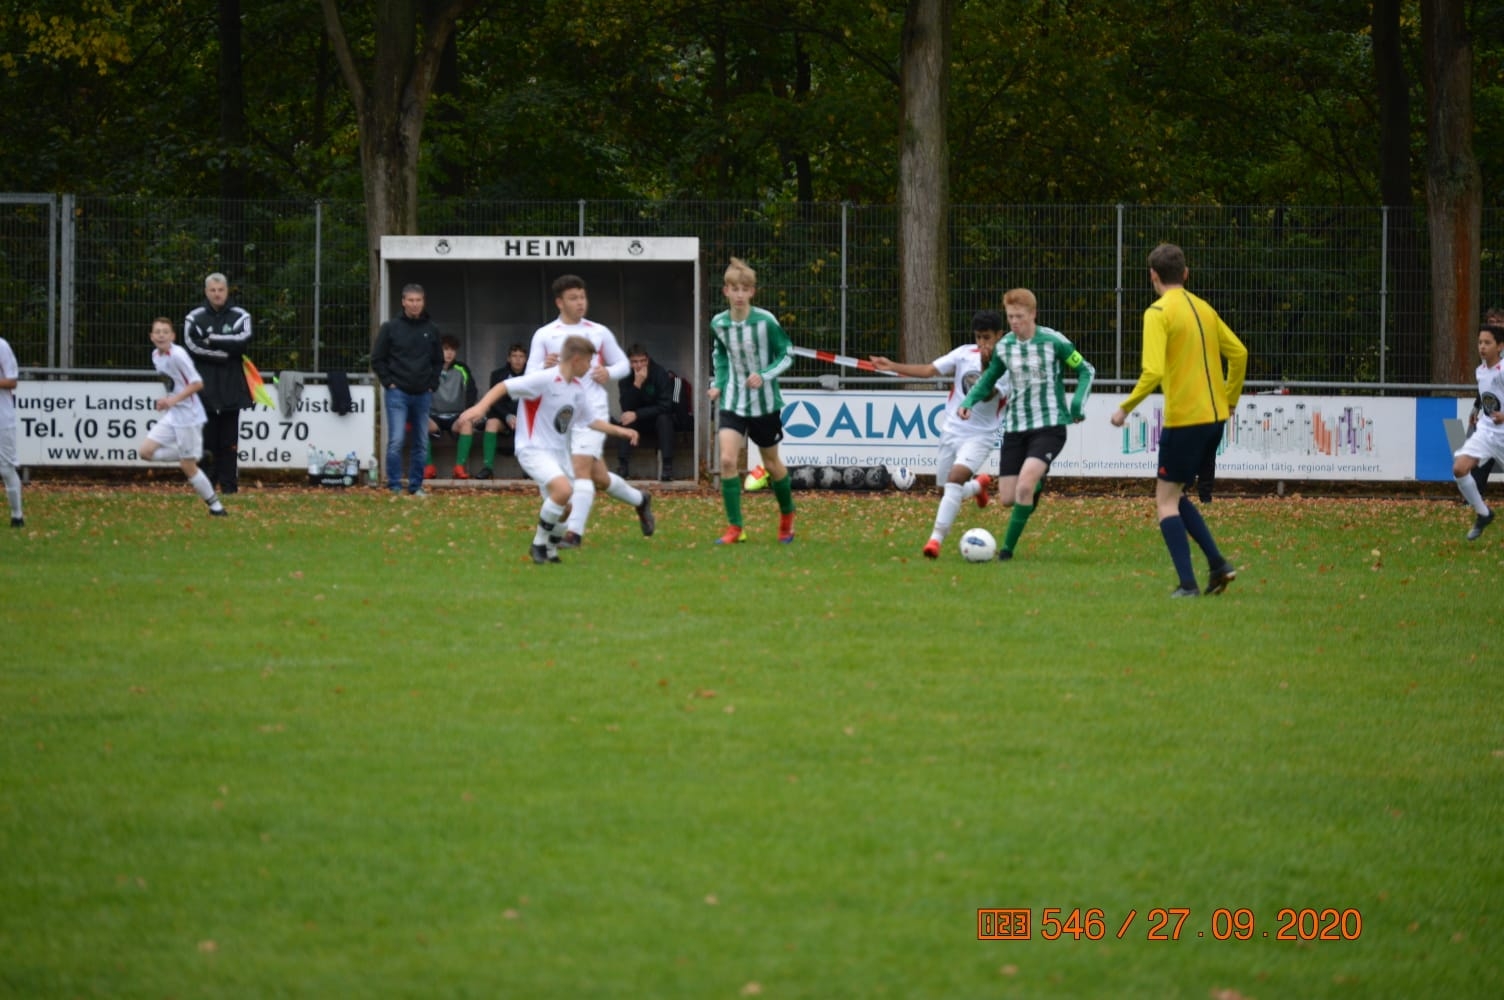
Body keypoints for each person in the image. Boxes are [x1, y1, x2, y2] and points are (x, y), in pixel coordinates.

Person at [1110, 243, 1246, 597]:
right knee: (1176, 494)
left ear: (1152, 276)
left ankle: (1188, 585)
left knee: (1165, 501)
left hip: (1185, 421)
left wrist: (1125, 408)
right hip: (1215, 420)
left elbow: (1153, 371)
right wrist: (1230, 399)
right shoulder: (1204, 308)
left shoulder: (1158, 312)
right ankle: (1217, 565)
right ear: (1185, 274)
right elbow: (1239, 353)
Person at [456, 335, 640, 563]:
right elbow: (504, 386)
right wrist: (480, 407)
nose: (591, 368)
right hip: (533, 448)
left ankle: (550, 550)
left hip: (559, 454)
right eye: (588, 362)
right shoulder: (544, 379)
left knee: (566, 508)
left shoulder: (577, 389)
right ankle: (538, 544)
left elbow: (591, 420)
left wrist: (621, 431)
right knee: (562, 491)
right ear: (576, 359)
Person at [958, 288, 1094, 561]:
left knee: (1023, 487)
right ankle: (1037, 484)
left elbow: (1085, 370)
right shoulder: (1005, 346)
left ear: (1033, 314)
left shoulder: (1054, 341)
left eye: (1019, 316)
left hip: (1050, 426)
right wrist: (969, 400)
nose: (1014, 322)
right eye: (1010, 317)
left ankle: (1006, 552)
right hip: (1015, 427)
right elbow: (989, 378)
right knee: (1008, 498)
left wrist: (1077, 404)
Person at [526, 274, 655, 546]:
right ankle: (640, 499)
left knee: (581, 469)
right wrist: (543, 367)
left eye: (582, 297)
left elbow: (622, 364)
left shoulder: (599, 332)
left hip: (591, 412)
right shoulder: (545, 335)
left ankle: (574, 534)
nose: (580, 303)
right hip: (561, 416)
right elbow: (529, 376)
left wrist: (607, 372)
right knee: (599, 477)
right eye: (573, 298)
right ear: (559, 302)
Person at [871, 310, 1008, 559]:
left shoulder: (1007, 365)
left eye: (987, 337)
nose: (982, 343)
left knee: (955, 479)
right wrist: (892, 366)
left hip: (980, 435)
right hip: (951, 430)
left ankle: (935, 540)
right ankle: (978, 486)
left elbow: (987, 394)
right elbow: (929, 370)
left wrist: (987, 365)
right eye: (978, 337)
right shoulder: (963, 353)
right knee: (947, 489)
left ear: (1000, 335)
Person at [709, 256, 797, 544]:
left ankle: (787, 516)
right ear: (726, 291)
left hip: (764, 404)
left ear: (752, 292)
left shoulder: (765, 321)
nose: (739, 295)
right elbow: (721, 355)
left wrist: (765, 374)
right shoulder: (719, 323)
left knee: (771, 463)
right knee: (727, 459)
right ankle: (736, 527)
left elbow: (787, 354)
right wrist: (718, 384)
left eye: (744, 289)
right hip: (733, 401)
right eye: (734, 289)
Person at [138, 318, 228, 517]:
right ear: (151, 337)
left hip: (189, 416)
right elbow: (174, 384)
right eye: (157, 332)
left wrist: (172, 400)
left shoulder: (178, 355)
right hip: (173, 414)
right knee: (145, 452)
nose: (161, 335)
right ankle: (196, 454)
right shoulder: (156, 355)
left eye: (165, 332)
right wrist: (168, 401)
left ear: (173, 336)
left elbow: (197, 383)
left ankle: (216, 508)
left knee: (187, 467)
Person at [182, 272, 253, 494]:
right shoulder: (194, 317)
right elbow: (192, 346)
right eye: (212, 290)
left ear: (227, 291)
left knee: (229, 443)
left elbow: (243, 342)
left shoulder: (241, 316)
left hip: (232, 389)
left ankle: (230, 487)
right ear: (206, 292)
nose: (217, 294)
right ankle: (208, 488)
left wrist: (211, 339)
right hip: (205, 391)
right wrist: (224, 354)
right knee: (207, 443)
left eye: (220, 290)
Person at [372, 283, 443, 496]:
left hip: (423, 393)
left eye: (418, 300)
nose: (414, 304)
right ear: (403, 302)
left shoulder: (432, 329)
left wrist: (432, 384)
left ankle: (416, 485)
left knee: (421, 442)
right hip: (398, 393)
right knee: (396, 440)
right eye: (410, 300)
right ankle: (394, 485)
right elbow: (377, 359)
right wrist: (389, 382)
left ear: (423, 302)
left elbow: (438, 361)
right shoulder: (390, 328)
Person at [1452, 322, 1504, 540]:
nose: (1482, 347)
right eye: (1480, 342)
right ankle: (1483, 514)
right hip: (1487, 431)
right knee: (1460, 468)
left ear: (1500, 346)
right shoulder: (1480, 371)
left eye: (1487, 343)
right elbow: (1487, 397)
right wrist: (1477, 409)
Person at [615, 344, 679, 481]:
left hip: (656, 419)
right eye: (635, 362)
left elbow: (666, 406)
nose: (639, 365)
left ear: (647, 359)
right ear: (629, 362)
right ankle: (623, 466)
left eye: (642, 361)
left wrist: (638, 414)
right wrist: (637, 384)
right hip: (637, 421)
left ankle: (667, 467)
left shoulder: (659, 373)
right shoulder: (625, 376)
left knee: (665, 419)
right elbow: (626, 406)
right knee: (626, 419)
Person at [424, 334, 478, 480]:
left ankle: (459, 467)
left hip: (455, 416)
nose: (449, 353)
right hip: (434, 416)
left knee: (467, 423)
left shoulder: (462, 368)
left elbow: (471, 391)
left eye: (452, 350)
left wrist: (467, 412)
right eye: (445, 349)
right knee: (420, 422)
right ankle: (428, 467)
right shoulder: (429, 368)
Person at [1465, 305, 1504, 495]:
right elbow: (1486, 386)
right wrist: (1476, 408)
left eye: (1498, 322)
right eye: (1491, 322)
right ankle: (1472, 498)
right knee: (1479, 459)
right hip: (1493, 423)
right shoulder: (1487, 356)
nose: (1494, 325)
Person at [478, 343, 528, 479]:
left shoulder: (532, 375)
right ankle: (487, 467)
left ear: (526, 359)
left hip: (525, 418)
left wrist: (522, 417)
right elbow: (494, 401)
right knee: (491, 423)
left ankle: (529, 469)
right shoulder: (498, 375)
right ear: (508, 358)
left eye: (521, 356)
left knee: (536, 426)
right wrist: (507, 416)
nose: (518, 360)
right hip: (504, 417)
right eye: (514, 356)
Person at [0, 334, 23, 527]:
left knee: (6, 469)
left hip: (2, 418)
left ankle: (17, 516)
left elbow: (12, 381)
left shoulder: (2, 346)